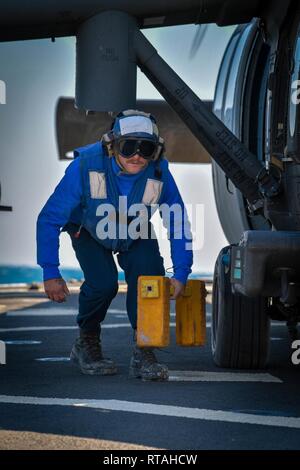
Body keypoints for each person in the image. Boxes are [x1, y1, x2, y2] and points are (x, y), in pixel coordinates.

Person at [36, 109, 193, 381]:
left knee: (151, 279)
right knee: (103, 283)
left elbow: (177, 221)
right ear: (112, 146)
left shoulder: (159, 172)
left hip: (135, 229)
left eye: (146, 148)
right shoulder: (85, 166)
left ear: (156, 151)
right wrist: (50, 271)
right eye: (128, 146)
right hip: (89, 229)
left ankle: (145, 350)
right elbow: (49, 218)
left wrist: (181, 273)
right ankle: (86, 342)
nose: (137, 156)